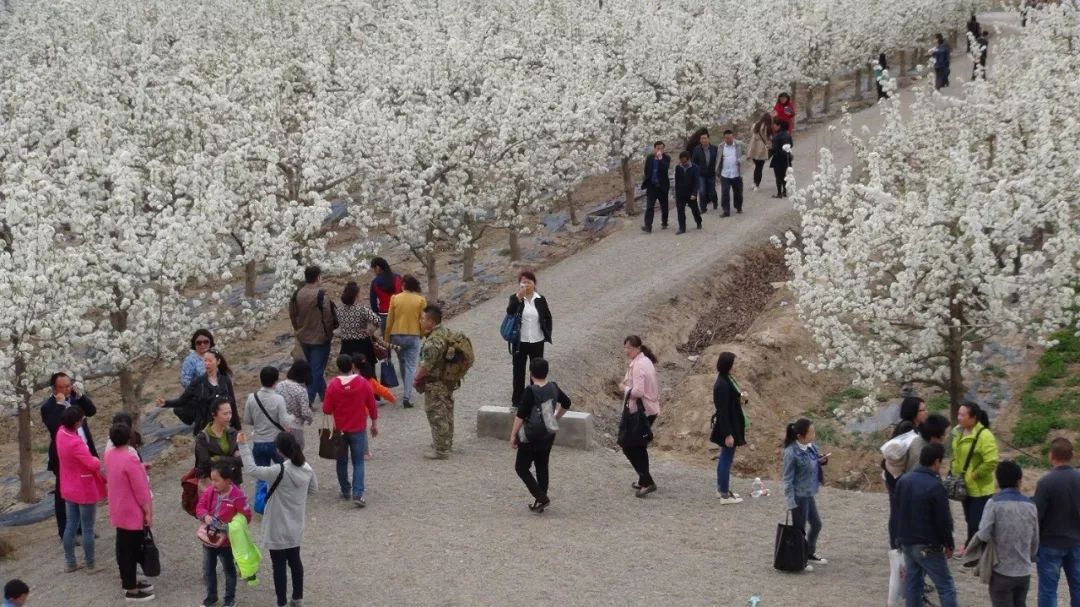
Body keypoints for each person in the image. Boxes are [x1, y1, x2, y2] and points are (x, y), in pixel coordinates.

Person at [238, 431, 317, 607]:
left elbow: (252, 470)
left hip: (276, 525)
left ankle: (281, 602)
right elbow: (313, 490)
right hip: (295, 524)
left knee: (279, 565)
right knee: (295, 561)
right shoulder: (306, 468)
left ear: (279, 451)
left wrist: (243, 446)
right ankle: (297, 598)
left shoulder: (278, 471)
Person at [895, 443, 957, 607]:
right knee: (945, 586)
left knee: (913, 584)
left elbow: (897, 511)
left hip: (907, 541)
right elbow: (943, 520)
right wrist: (949, 543)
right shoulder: (936, 486)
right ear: (936, 462)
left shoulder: (904, 480)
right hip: (928, 544)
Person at [40, 372, 97, 540]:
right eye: (62, 387)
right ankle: (65, 532)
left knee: (84, 489)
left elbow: (92, 411)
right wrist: (59, 405)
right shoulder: (48, 406)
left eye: (68, 385)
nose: (67, 389)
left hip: (83, 451)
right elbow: (54, 427)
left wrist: (81, 397)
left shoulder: (75, 398)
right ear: (54, 389)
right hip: (63, 457)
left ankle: (83, 528)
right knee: (63, 493)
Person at [974, 461, 1038, 607]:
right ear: (1019, 481)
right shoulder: (1031, 505)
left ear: (998, 481)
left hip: (1001, 570)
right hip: (1024, 571)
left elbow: (983, 534)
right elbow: (1035, 540)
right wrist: (1031, 557)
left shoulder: (994, 503)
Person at [509, 358, 570, 513]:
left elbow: (520, 415)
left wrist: (513, 434)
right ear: (546, 372)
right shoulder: (554, 387)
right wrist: (555, 418)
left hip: (530, 435)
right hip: (548, 433)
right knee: (542, 466)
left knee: (521, 468)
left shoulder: (530, 391)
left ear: (531, 373)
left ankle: (541, 497)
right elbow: (567, 403)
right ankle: (540, 500)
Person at [105, 423, 155, 602]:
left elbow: (121, 475)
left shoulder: (110, 455)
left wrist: (141, 468)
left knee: (124, 548)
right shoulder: (130, 458)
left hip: (118, 508)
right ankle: (131, 589)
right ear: (129, 438)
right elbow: (140, 490)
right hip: (132, 511)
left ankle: (130, 581)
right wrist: (147, 511)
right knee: (130, 551)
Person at [322, 354, 378, 506]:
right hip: (358, 428)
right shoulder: (362, 383)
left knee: (341, 461)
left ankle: (345, 489)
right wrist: (374, 423)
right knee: (358, 462)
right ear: (352, 366)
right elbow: (372, 404)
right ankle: (358, 494)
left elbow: (326, 409)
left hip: (339, 429)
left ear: (338, 368)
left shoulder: (333, 385)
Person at [56, 405, 106, 573]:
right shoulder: (75, 442)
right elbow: (92, 464)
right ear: (77, 423)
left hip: (69, 486)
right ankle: (90, 564)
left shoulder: (61, 433)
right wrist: (96, 460)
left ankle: (70, 562)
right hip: (83, 488)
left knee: (70, 524)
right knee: (87, 527)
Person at [196, 460, 251, 607]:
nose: (213, 484)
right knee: (209, 570)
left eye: (216, 480)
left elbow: (247, 516)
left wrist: (231, 527)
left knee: (229, 570)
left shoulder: (237, 496)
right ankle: (211, 598)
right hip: (209, 539)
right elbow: (200, 507)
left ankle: (229, 600)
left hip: (227, 542)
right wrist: (205, 516)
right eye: (212, 480)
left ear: (227, 481)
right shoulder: (210, 492)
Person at [1033, 437, 1080, 607]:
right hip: (1076, 541)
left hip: (1050, 543)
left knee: (1048, 590)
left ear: (1051, 456)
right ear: (1072, 455)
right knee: (1078, 587)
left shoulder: (1046, 482)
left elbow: (1036, 515)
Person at [415, 305, 461, 460]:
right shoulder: (445, 332)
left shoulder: (433, 341)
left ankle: (441, 450)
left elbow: (426, 366)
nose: (421, 321)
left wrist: (416, 378)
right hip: (447, 380)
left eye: (423, 319)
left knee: (436, 414)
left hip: (436, 383)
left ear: (431, 321)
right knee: (447, 411)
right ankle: (446, 442)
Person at [951, 401, 999, 548]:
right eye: (958, 414)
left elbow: (991, 461)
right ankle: (970, 547)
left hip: (980, 489)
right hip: (964, 486)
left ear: (973, 418)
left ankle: (976, 551)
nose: (958, 417)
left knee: (976, 522)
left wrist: (974, 475)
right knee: (969, 519)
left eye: (962, 415)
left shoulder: (985, 435)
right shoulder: (958, 432)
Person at [782, 418, 828, 569]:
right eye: (811, 432)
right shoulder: (791, 453)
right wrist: (790, 501)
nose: (814, 435)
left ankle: (809, 552)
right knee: (799, 529)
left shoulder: (811, 447)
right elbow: (787, 478)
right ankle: (800, 559)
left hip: (809, 493)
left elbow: (814, 461)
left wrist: (821, 461)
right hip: (798, 496)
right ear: (800, 436)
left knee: (816, 524)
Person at [157, 350, 239, 435]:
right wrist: (165, 403)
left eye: (210, 361)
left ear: (218, 361)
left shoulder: (225, 380)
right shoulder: (198, 382)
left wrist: (237, 427)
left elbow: (232, 404)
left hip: (224, 428)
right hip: (204, 428)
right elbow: (182, 400)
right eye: (205, 360)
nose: (206, 363)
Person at [619, 336, 660, 497]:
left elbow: (638, 392)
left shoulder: (638, 366)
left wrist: (624, 388)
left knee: (628, 445)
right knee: (639, 446)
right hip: (650, 409)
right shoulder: (645, 361)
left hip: (640, 412)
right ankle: (643, 480)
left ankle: (647, 480)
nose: (626, 351)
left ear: (636, 348)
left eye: (628, 348)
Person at [288, 265, 337, 404]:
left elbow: (292, 314)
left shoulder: (297, 294)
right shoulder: (321, 295)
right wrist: (329, 335)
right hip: (320, 338)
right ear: (318, 277)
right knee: (316, 371)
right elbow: (328, 317)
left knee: (314, 369)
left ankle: (326, 396)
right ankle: (307, 400)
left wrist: (298, 329)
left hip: (303, 337)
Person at [243, 366, 294, 497]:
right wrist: (293, 416)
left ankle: (262, 502)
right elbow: (284, 422)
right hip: (276, 442)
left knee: (261, 476)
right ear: (276, 381)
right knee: (283, 472)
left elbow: (247, 420)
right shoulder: (278, 399)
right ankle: (284, 498)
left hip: (259, 442)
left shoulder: (251, 397)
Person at [507, 271, 553, 410]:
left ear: (534, 284)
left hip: (537, 340)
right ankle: (517, 402)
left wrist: (546, 332)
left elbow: (548, 317)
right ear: (519, 284)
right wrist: (518, 298)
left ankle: (535, 400)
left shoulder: (540, 299)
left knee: (537, 372)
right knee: (518, 372)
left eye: (529, 282)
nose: (526, 285)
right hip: (520, 341)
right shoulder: (515, 298)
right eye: (523, 282)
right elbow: (509, 312)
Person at [385, 274, 427, 409]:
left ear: (403, 285)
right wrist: (422, 334)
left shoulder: (395, 298)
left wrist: (387, 337)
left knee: (402, 362)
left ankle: (406, 388)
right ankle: (407, 396)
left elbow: (390, 320)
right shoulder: (420, 300)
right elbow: (423, 320)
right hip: (413, 335)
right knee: (410, 366)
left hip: (396, 335)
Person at [711, 352, 746, 504]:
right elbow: (723, 411)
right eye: (733, 364)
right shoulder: (722, 385)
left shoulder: (726, 381)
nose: (735, 367)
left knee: (725, 457)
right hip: (728, 426)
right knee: (726, 458)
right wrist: (728, 434)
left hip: (731, 424)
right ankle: (724, 493)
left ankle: (721, 489)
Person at [336, 282, 381, 378]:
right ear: (356, 295)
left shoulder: (339, 310)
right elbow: (377, 320)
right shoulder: (361, 309)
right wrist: (371, 330)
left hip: (346, 346)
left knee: (350, 375)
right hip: (363, 346)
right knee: (368, 374)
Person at [194, 399, 243, 485]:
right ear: (214, 414)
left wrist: (219, 458)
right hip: (214, 485)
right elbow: (205, 463)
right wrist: (232, 459)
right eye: (225, 414)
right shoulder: (203, 438)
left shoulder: (232, 432)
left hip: (233, 482)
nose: (229, 416)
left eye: (230, 413)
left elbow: (242, 460)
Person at [276, 360, 313, 447]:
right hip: (295, 426)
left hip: (280, 425)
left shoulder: (279, 385)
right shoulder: (301, 390)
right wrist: (310, 419)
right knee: (296, 453)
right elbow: (305, 412)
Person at [640, 140, 670, 232]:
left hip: (662, 186)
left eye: (661, 148)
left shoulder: (666, 158)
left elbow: (665, 169)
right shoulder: (650, 158)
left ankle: (664, 222)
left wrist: (660, 159)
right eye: (658, 148)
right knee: (649, 206)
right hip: (652, 186)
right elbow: (646, 170)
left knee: (664, 206)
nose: (659, 150)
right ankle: (648, 226)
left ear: (663, 149)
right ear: (654, 149)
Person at [718, 130, 747, 217]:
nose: (728, 140)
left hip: (736, 173)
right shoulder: (721, 146)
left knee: (738, 192)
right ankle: (726, 211)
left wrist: (740, 160)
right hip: (725, 174)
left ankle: (738, 207)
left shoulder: (739, 144)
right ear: (724, 138)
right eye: (726, 138)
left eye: (730, 138)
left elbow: (745, 154)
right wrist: (718, 172)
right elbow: (718, 159)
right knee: (725, 193)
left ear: (733, 137)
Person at [369, 257, 402, 330]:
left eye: (374, 269)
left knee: (387, 339)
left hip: (384, 314)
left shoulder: (375, 283)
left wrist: (377, 313)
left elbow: (373, 303)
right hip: (399, 312)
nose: (374, 272)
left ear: (377, 267)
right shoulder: (398, 278)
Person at [673, 151, 702, 234]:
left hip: (691, 193)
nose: (683, 163)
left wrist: (694, 193)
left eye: (684, 161)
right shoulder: (678, 167)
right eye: (681, 161)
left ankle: (698, 222)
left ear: (688, 159)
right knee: (680, 211)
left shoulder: (695, 168)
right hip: (680, 193)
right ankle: (682, 228)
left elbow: (697, 182)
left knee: (695, 209)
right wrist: (676, 193)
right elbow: (677, 181)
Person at [691, 132, 719, 213]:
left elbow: (718, 161)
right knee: (702, 191)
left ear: (708, 139)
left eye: (705, 138)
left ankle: (715, 201)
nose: (704, 140)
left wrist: (718, 172)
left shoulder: (714, 148)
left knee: (712, 191)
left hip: (711, 174)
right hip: (701, 174)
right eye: (702, 138)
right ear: (700, 140)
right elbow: (694, 162)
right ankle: (703, 208)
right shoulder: (697, 149)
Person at [747, 113, 773, 191]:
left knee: (756, 167)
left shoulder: (755, 125)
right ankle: (757, 185)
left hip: (754, 148)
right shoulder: (768, 128)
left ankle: (754, 183)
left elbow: (751, 133)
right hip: (762, 149)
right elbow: (769, 139)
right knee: (759, 168)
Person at [769, 121, 793, 199]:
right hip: (786, 157)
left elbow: (774, 149)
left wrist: (769, 149)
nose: (773, 127)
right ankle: (785, 191)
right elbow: (791, 145)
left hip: (778, 158)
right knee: (784, 175)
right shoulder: (788, 134)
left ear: (779, 126)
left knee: (778, 176)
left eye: (775, 125)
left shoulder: (776, 137)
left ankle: (779, 193)